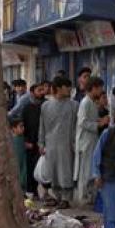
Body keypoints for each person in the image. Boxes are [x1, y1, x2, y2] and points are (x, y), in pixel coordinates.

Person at [38, 77, 78, 207]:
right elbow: (42, 126)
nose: (69, 90)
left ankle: (66, 198)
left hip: (67, 144)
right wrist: (41, 143)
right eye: (67, 87)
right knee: (53, 172)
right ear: (59, 88)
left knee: (66, 171)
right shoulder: (45, 106)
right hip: (50, 144)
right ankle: (57, 196)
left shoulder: (74, 105)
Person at [74, 77, 107, 206]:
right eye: (99, 88)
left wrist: (100, 121)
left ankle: (90, 197)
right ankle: (84, 199)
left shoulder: (92, 103)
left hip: (91, 141)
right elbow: (82, 122)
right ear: (93, 88)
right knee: (85, 172)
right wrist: (98, 124)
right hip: (85, 142)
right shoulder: (85, 102)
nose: (101, 91)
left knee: (91, 170)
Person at [21, 81, 48, 197]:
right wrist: (25, 141)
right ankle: (32, 192)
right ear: (32, 93)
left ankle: (47, 193)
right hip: (31, 144)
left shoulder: (47, 106)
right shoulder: (26, 108)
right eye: (39, 90)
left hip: (43, 143)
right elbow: (23, 125)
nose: (42, 92)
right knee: (31, 168)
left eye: (43, 90)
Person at [10, 117, 28, 193]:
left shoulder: (21, 138)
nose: (23, 128)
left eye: (23, 126)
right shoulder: (13, 140)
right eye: (20, 126)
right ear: (13, 129)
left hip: (23, 161)